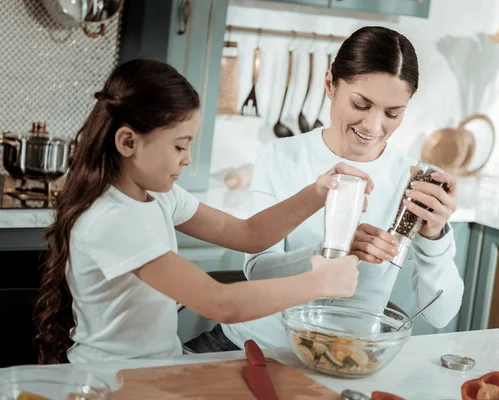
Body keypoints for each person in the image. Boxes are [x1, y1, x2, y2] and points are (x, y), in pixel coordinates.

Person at [34, 59, 371, 364]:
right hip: (112, 379)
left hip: (156, 367)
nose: (188, 158)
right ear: (128, 143)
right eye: (180, 145)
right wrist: (318, 283)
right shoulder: (111, 219)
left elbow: (248, 235)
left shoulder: (159, 196)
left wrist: (319, 192)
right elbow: (219, 303)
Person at [185, 26, 465, 352]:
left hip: (346, 357)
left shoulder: (413, 181)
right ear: (330, 84)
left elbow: (442, 314)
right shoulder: (280, 156)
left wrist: (436, 240)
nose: (374, 127)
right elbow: (259, 270)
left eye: (392, 113)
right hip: (253, 345)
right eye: (361, 104)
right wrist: (333, 249)